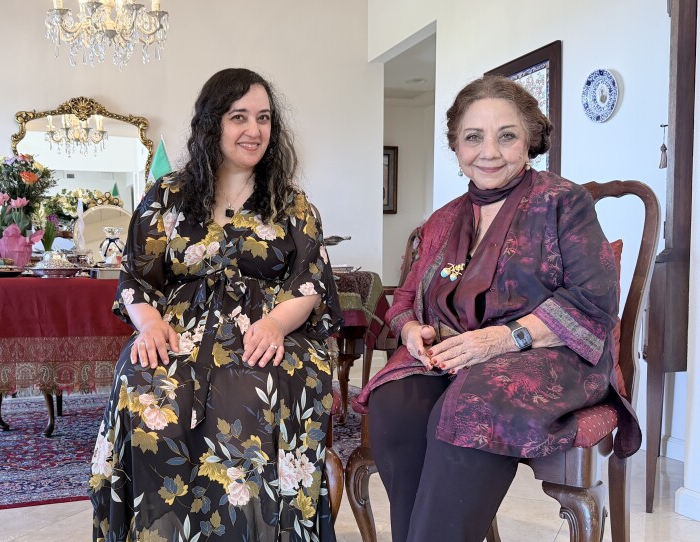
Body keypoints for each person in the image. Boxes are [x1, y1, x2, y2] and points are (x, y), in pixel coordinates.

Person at [353, 74, 640, 542]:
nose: (489, 152)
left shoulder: (564, 202)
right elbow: (403, 301)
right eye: (473, 138)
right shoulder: (444, 219)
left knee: (475, 400)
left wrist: (500, 340)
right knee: (396, 402)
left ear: (529, 139)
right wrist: (410, 333)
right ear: (456, 146)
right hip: (455, 357)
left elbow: (593, 302)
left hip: (546, 357)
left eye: (506, 136)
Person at [90, 68, 343, 542]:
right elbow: (137, 278)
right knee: (144, 386)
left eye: (264, 118)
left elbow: (309, 283)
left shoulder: (291, 203)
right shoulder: (167, 196)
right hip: (178, 328)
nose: (254, 130)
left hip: (271, 330)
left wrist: (273, 325)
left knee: (246, 393)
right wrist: (147, 326)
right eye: (239, 117)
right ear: (212, 124)